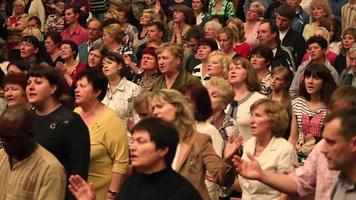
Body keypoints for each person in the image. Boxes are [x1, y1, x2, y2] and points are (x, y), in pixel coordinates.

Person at [233, 86, 356, 200]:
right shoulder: (320, 148)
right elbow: (301, 183)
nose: (324, 149)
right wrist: (261, 175)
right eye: (333, 113)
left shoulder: (284, 148)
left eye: (331, 142)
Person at [68, 117, 203, 200]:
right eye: (133, 141)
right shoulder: (132, 181)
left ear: (163, 149)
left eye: (141, 141)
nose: (132, 147)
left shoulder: (181, 191)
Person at [150, 89, 242, 200]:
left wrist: (228, 160)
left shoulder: (199, 140)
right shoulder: (154, 140)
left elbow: (222, 178)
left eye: (160, 106)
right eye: (153, 108)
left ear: (177, 107)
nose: (154, 112)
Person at [26, 65, 90, 200]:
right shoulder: (26, 117)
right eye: (28, 83)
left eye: (38, 82)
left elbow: (78, 175)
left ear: (53, 88)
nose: (30, 87)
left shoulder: (71, 121)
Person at [74, 70, 129, 200]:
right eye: (76, 86)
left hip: (100, 192)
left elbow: (121, 160)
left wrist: (112, 194)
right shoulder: (76, 112)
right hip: (76, 190)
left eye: (82, 86)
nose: (77, 90)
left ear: (97, 92)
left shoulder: (111, 120)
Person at [0, 106, 66, 200]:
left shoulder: (50, 170)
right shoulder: (2, 155)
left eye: (11, 139)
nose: (4, 143)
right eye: (1, 137)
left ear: (30, 135)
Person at [237, 98, 296, 200]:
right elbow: (246, 188)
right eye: (251, 115)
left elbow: (287, 192)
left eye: (257, 115)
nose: (251, 120)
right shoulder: (249, 144)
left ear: (273, 120)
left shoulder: (285, 149)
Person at [289, 63, 336, 163]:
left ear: (324, 82)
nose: (310, 81)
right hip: (298, 155)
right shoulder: (298, 103)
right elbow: (293, 136)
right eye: (307, 77)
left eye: (315, 78)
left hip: (321, 157)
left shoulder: (331, 107)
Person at [226, 56, 266, 141]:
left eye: (238, 68)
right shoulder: (223, 98)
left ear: (248, 73)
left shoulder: (259, 100)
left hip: (249, 151)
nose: (233, 71)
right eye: (230, 69)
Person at [101, 52, 141, 127]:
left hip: (125, 135)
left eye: (109, 63)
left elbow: (138, 118)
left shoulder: (134, 89)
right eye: (103, 64)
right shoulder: (99, 88)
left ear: (119, 66)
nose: (105, 66)